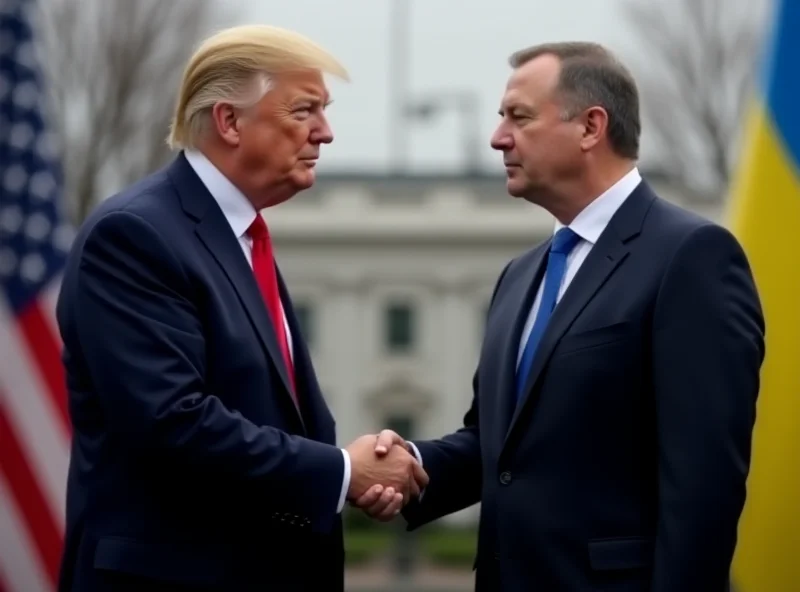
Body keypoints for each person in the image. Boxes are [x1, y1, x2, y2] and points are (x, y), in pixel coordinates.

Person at [355, 42, 765, 591]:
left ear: (591, 126)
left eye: (518, 117)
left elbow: (704, 487)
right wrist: (406, 465)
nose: (498, 138)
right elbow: (496, 445)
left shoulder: (691, 257)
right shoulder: (519, 277)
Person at [56, 25, 427, 592]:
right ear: (230, 121)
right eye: (304, 110)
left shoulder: (238, 236)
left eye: (323, 111)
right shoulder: (134, 235)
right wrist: (345, 471)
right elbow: (174, 425)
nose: (325, 133)